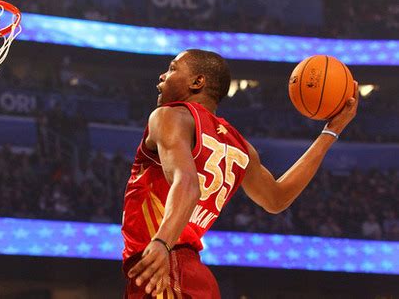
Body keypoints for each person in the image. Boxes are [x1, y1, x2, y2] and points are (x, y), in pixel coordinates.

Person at [121, 49, 358, 298]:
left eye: (172, 68)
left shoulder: (169, 116)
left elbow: (188, 185)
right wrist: (330, 132)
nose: (162, 76)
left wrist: (161, 243)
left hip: (164, 268)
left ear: (197, 82)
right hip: (188, 272)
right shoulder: (240, 145)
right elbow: (277, 198)